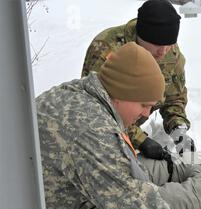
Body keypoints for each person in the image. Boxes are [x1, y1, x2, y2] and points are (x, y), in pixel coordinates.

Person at [37, 42, 201, 209]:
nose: (146, 113)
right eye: (144, 104)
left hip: (48, 208)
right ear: (122, 93)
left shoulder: (75, 94)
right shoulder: (92, 131)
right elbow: (134, 204)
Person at [81, 0, 194, 158]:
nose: (163, 52)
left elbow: (174, 97)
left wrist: (178, 129)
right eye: (156, 45)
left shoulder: (170, 52)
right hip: (100, 133)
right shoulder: (107, 48)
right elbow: (98, 107)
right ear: (142, 36)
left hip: (131, 124)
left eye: (168, 45)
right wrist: (140, 140)